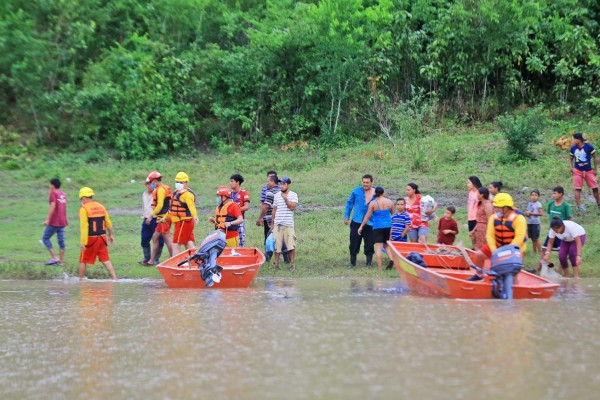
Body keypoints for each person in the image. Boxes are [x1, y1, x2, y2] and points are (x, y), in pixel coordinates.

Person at [474, 193, 527, 267]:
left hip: (515, 249)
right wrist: (495, 251)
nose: (495, 210)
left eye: (497, 207)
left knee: (511, 270)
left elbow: (519, 239)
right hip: (498, 246)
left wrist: (505, 253)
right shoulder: (493, 218)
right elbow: (490, 235)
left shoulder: (519, 219)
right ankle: (479, 275)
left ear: (505, 208)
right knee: (479, 255)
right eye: (495, 207)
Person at [77, 187, 117, 280]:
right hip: (102, 237)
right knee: (105, 259)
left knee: (83, 260)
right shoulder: (101, 206)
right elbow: (108, 222)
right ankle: (115, 278)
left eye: (81, 199)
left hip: (91, 239)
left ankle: (80, 281)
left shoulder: (84, 209)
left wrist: (83, 242)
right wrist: (110, 235)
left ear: (84, 198)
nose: (81, 200)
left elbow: (84, 227)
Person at [344, 174, 376, 268]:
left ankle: (368, 263)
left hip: (370, 222)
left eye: (367, 182)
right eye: (364, 182)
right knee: (354, 242)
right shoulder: (356, 191)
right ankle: (352, 263)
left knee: (369, 243)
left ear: (371, 182)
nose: (365, 184)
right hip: (356, 221)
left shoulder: (376, 193)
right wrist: (346, 216)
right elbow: (349, 204)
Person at [358, 186, 393, 270]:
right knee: (387, 245)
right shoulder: (390, 202)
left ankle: (380, 268)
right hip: (388, 226)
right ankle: (392, 259)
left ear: (375, 193)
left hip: (378, 227)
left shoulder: (373, 203)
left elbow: (367, 216)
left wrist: (361, 227)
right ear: (383, 192)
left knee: (378, 247)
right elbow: (392, 214)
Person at [146, 171, 174, 265]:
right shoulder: (161, 188)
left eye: (151, 182)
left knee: (167, 239)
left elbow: (160, 205)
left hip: (164, 218)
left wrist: (150, 215)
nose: (150, 184)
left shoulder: (161, 190)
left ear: (154, 181)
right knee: (155, 237)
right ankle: (151, 260)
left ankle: (174, 259)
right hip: (161, 218)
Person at [271, 177, 298, 271]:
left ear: (288, 185)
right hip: (278, 224)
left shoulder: (293, 195)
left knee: (291, 245)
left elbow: (293, 207)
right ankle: (276, 264)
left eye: (284, 184)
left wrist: (286, 199)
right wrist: (272, 223)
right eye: (281, 184)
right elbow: (274, 210)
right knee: (276, 246)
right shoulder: (276, 195)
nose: (282, 186)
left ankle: (292, 264)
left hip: (288, 224)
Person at [169, 172, 199, 255]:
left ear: (186, 182)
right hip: (183, 222)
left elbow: (191, 206)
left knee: (175, 244)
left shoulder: (187, 194)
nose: (179, 184)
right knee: (188, 242)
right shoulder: (177, 192)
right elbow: (172, 209)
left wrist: (195, 216)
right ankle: (197, 261)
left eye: (181, 182)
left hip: (183, 222)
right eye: (177, 182)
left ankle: (175, 264)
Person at [569, 132, 599, 211]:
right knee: (577, 188)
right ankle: (579, 206)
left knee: (595, 187)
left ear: (579, 139)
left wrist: (595, 169)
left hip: (588, 170)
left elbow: (595, 157)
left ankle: (599, 204)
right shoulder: (573, 148)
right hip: (578, 170)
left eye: (574, 139)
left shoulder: (589, 146)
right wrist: (571, 167)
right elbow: (570, 158)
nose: (573, 141)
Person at [42, 178, 68, 266]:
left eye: (50, 185)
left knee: (45, 238)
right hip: (62, 221)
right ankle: (61, 262)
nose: (49, 186)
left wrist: (48, 219)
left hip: (54, 221)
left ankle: (54, 258)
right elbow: (64, 207)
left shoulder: (53, 193)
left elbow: (53, 206)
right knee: (61, 242)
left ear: (53, 185)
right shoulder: (64, 194)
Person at [139, 179, 164, 265]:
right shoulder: (144, 194)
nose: (149, 185)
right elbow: (144, 205)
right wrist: (144, 215)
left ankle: (156, 259)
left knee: (158, 239)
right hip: (146, 218)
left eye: (151, 184)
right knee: (144, 240)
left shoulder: (157, 193)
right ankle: (147, 258)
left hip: (156, 218)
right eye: (147, 184)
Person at [542, 186, 572, 252]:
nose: (553, 195)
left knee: (561, 250)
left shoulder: (565, 206)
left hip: (561, 231)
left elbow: (569, 219)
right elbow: (549, 215)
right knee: (545, 248)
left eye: (555, 193)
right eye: (553, 193)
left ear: (560, 194)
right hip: (552, 230)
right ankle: (543, 262)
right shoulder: (551, 204)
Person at [230, 174, 250, 246]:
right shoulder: (229, 194)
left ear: (238, 182)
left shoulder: (244, 193)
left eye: (232, 181)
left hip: (239, 220)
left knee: (241, 240)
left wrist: (235, 210)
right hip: (229, 220)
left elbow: (246, 207)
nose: (230, 183)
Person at [525, 189, 543, 255]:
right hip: (530, 222)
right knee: (532, 238)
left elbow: (541, 213)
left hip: (536, 223)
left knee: (536, 238)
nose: (534, 196)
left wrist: (531, 213)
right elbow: (527, 212)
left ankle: (540, 252)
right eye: (532, 195)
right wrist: (527, 214)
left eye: (536, 195)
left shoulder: (538, 204)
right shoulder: (529, 203)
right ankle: (534, 251)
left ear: (538, 196)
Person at [467, 176, 482, 248]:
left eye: (469, 183)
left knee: (476, 236)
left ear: (474, 183)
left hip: (476, 217)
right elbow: (468, 204)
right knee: (472, 236)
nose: (467, 184)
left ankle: (477, 251)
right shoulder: (470, 192)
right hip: (470, 217)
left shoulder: (480, 192)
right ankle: (474, 250)